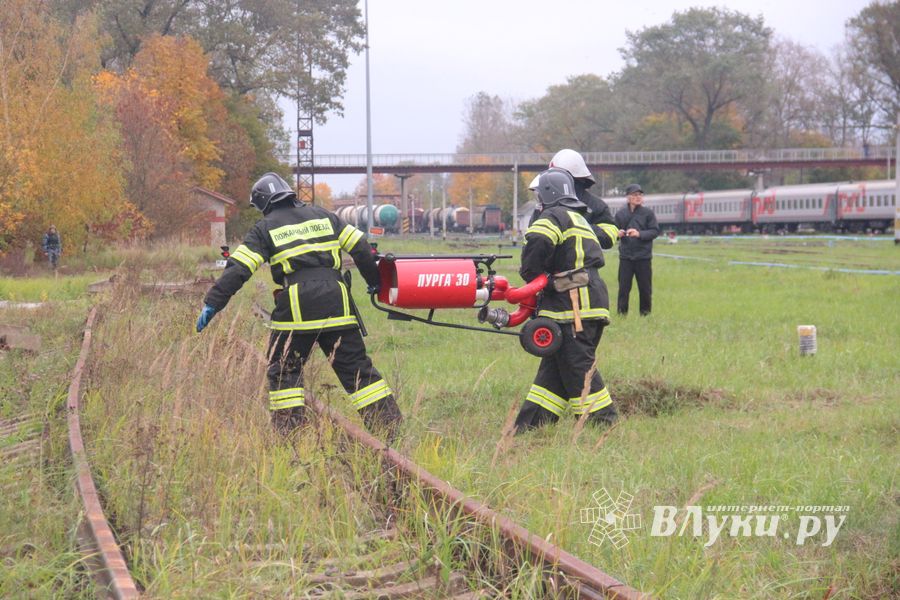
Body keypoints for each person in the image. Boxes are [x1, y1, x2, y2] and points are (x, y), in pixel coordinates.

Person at [196, 173, 402, 442]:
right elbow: (361, 248)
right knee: (356, 368)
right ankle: (389, 428)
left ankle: (290, 434)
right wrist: (375, 282)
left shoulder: (264, 228)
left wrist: (213, 302)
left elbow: (239, 269)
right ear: (288, 193)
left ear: (263, 205)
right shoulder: (324, 216)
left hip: (296, 309)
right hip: (336, 304)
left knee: (284, 371)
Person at [514, 168, 618, 433]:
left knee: (577, 367)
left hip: (572, 308)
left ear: (548, 193)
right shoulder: (579, 218)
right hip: (588, 302)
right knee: (552, 375)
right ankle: (529, 428)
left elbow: (537, 243)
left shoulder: (552, 216)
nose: (538, 201)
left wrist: (533, 275)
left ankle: (604, 425)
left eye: (539, 195)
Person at [529, 149, 619, 244]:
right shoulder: (545, 203)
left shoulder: (595, 205)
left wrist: (578, 227)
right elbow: (532, 236)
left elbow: (609, 235)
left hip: (586, 257)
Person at [614, 183, 659, 316]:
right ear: (628, 197)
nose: (638, 197)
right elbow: (613, 231)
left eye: (640, 195)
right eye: (634, 195)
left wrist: (639, 234)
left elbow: (655, 231)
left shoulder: (648, 213)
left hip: (643, 257)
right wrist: (618, 234)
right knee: (623, 288)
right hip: (626, 257)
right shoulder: (621, 214)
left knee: (645, 289)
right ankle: (622, 314)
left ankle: (645, 315)